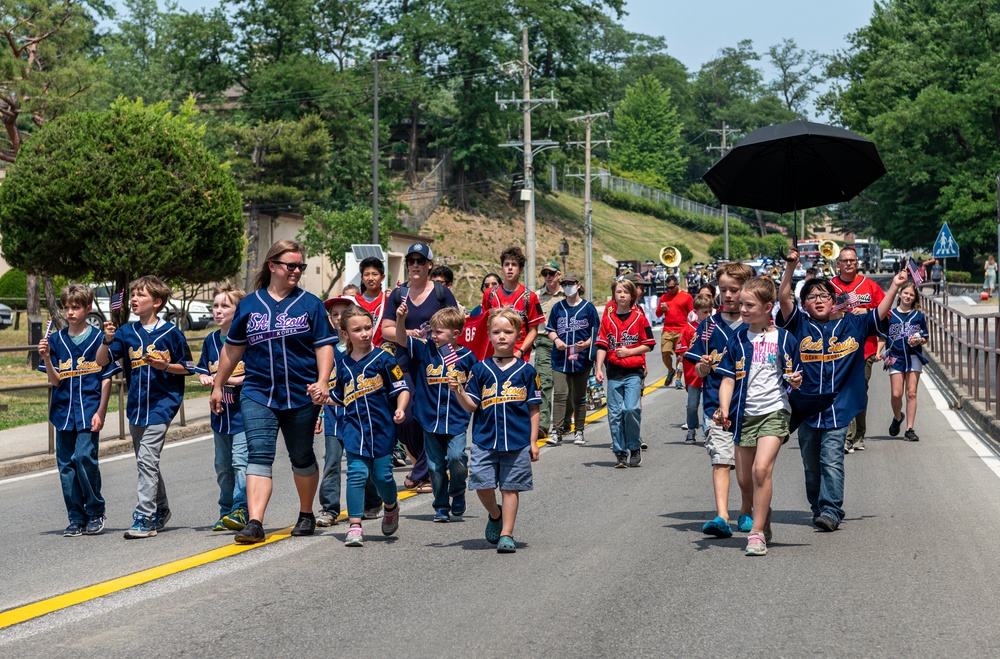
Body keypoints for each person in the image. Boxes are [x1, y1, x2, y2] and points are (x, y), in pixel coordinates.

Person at [209, 240, 336, 544]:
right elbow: (232, 349)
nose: (296, 271)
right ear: (272, 266)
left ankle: (306, 514)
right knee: (258, 454)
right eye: (291, 265)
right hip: (257, 392)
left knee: (302, 456)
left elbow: (324, 345)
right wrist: (217, 385)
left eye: (300, 266)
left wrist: (323, 381)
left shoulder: (310, 304)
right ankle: (255, 522)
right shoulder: (251, 305)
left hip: (300, 393)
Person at [777, 247, 908, 532]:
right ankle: (818, 506)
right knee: (811, 466)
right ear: (804, 304)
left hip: (839, 405)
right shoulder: (798, 325)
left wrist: (895, 286)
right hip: (807, 407)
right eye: (812, 297)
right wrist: (790, 267)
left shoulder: (853, 324)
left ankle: (832, 510)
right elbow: (782, 298)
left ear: (834, 300)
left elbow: (879, 314)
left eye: (824, 295)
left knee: (832, 460)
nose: (819, 300)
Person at [98, 276, 194, 539]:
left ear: (157, 302)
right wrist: (106, 341)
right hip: (136, 408)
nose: (134, 299)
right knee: (146, 462)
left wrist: (165, 365)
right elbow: (101, 362)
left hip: (162, 406)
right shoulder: (127, 332)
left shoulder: (171, 333)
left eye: (141, 295)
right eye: (133, 295)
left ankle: (145, 518)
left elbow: (188, 367)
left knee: (147, 460)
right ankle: (161, 508)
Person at [715, 277, 801, 556]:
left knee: (761, 470)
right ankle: (764, 511)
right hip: (743, 415)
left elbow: (794, 376)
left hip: (775, 411)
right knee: (744, 480)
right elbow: (728, 379)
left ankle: (756, 533)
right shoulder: (737, 338)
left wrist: (796, 381)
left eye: (749, 305)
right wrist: (724, 407)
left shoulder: (785, 339)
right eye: (741, 304)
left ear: (767, 307)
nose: (742, 309)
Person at [452, 308, 541, 553]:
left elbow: (534, 409)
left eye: (508, 332)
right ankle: (494, 514)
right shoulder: (480, 370)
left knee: (510, 487)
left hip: (517, 440)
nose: (502, 336)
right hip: (484, 440)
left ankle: (506, 533)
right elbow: (471, 405)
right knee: (482, 484)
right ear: (489, 336)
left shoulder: (527, 371)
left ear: (518, 335)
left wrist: (533, 441)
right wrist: (458, 390)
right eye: (496, 332)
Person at [38, 284, 121, 537]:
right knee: (66, 467)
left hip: (88, 412)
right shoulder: (55, 340)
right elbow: (55, 381)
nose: (70, 312)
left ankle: (95, 511)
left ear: (88, 308)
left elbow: (106, 377)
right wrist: (47, 358)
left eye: (76, 307)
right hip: (63, 413)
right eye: (67, 307)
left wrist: (102, 412)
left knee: (84, 458)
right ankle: (76, 517)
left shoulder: (100, 339)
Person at [684, 263, 755, 538]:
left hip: (751, 406)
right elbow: (698, 368)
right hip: (715, 406)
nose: (727, 295)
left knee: (747, 468)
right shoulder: (706, 327)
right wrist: (703, 366)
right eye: (723, 289)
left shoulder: (756, 325)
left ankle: (746, 511)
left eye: (734, 290)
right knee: (721, 460)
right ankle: (722, 515)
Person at [383, 242, 460, 493]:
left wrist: (436, 338)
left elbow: (455, 323)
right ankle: (424, 467)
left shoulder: (441, 293)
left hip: (434, 362)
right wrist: (405, 331)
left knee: (429, 414)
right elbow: (385, 330)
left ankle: (424, 472)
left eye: (420, 261)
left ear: (429, 265)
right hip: (405, 360)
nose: (415, 265)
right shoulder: (397, 295)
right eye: (411, 261)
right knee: (404, 418)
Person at [330, 305, 409, 546]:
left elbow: (402, 388)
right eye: (357, 330)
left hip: (383, 429)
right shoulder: (341, 365)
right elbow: (337, 396)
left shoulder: (384, 359)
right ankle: (355, 526)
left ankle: (391, 505)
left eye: (367, 327)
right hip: (353, 429)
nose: (364, 333)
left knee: (382, 476)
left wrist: (400, 408)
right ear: (345, 333)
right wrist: (319, 399)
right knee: (356, 475)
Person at [395, 305, 477, 523]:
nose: (433, 336)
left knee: (458, 459)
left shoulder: (468, 357)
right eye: (432, 331)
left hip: (456, 419)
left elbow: (475, 388)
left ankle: (458, 492)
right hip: (429, 418)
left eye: (439, 332)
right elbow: (402, 340)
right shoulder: (425, 349)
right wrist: (401, 320)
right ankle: (441, 505)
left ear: (456, 333)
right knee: (435, 466)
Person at [195, 282, 249, 533]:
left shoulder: (247, 340)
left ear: (237, 311)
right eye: (215, 306)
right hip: (220, 416)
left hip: (243, 414)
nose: (218, 311)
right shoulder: (210, 341)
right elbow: (202, 370)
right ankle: (225, 511)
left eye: (224, 306)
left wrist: (225, 379)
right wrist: (206, 378)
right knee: (223, 467)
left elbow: (253, 375)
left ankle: (241, 510)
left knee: (240, 462)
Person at [595, 278, 655, 468]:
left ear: (632, 296)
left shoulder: (639, 318)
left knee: (630, 409)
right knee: (614, 413)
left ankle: (634, 446)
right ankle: (620, 451)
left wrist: (629, 351)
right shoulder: (607, 319)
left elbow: (649, 344)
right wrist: (598, 368)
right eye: (618, 292)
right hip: (614, 373)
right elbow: (602, 345)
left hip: (633, 372)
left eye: (625, 292)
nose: (621, 295)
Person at [831, 247, 885, 454]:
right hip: (837, 349)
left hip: (865, 348)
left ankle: (859, 434)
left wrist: (867, 310)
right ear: (838, 264)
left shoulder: (869, 285)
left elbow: (885, 310)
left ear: (857, 262)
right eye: (844, 261)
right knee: (843, 391)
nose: (848, 264)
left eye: (852, 260)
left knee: (859, 391)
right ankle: (847, 436)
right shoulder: (830, 286)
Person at [313, 295, 355, 528]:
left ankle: (371, 501)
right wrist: (319, 413)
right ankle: (329, 508)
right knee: (331, 462)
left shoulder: (360, 347)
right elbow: (323, 384)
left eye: (343, 314)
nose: (339, 319)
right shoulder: (325, 350)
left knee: (361, 462)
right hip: (333, 417)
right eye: (335, 315)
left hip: (358, 417)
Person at [544, 272, 598, 446]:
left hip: (581, 359)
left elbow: (596, 333)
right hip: (560, 358)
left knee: (579, 397)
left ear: (578, 284)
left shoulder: (588, 308)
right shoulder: (558, 307)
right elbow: (550, 329)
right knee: (560, 393)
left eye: (571, 283)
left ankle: (579, 431)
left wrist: (586, 344)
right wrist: (557, 340)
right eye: (565, 283)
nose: (568, 286)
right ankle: (557, 432)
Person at [878, 281, 928, 442]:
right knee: (896, 394)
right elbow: (883, 336)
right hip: (895, 357)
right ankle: (898, 417)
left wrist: (919, 340)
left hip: (914, 356)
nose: (908, 296)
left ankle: (910, 429)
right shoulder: (890, 315)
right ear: (900, 294)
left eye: (911, 295)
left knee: (911, 393)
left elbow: (925, 337)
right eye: (905, 293)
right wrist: (878, 351)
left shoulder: (918, 316)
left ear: (915, 298)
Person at [480, 246, 545, 362]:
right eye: (507, 264)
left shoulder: (529, 297)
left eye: (514, 265)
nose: (510, 268)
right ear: (502, 267)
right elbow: (484, 325)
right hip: (493, 354)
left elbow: (533, 330)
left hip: (518, 355)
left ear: (520, 269)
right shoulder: (489, 295)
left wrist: (520, 351)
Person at [533, 259, 565, 440]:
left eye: (551, 273)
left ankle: (564, 421)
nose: (547, 277)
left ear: (558, 275)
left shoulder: (565, 295)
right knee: (544, 383)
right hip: (544, 342)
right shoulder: (537, 296)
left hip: (565, 344)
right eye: (545, 274)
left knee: (564, 386)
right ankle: (544, 425)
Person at [675, 294, 714, 444]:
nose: (708, 315)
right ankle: (691, 429)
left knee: (708, 404)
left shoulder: (714, 327)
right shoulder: (688, 328)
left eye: (710, 311)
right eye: (705, 312)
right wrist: (697, 356)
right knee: (692, 405)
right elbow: (681, 350)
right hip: (693, 374)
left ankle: (707, 432)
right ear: (696, 311)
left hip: (710, 374)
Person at [656, 276, 694, 390]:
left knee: (680, 356)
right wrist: (661, 309)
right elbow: (657, 314)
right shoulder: (664, 297)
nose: (670, 290)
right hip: (668, 330)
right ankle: (670, 370)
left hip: (681, 329)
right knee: (665, 352)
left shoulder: (686, 296)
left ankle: (678, 379)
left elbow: (692, 314)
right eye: (667, 288)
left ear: (677, 285)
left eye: (672, 287)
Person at [354, 257, 388, 347]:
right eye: (366, 274)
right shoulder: (353, 302)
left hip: (383, 353)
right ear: (361, 278)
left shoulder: (389, 301)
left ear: (382, 277)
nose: (370, 278)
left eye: (374, 274)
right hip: (359, 353)